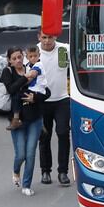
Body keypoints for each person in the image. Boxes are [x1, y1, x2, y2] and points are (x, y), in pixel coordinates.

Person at [0, 47, 47, 196]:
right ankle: (15, 171)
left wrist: (35, 97)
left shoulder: (33, 67)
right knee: (21, 154)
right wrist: (26, 78)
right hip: (17, 120)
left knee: (31, 152)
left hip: (35, 118)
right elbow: (11, 89)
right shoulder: (8, 72)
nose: (18, 60)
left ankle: (27, 185)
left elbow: (47, 91)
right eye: (14, 58)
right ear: (9, 61)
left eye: (20, 57)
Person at [38, 32, 71, 186]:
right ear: (39, 37)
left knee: (63, 133)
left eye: (50, 37)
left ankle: (63, 172)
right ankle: (45, 171)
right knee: (44, 136)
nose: (47, 41)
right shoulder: (34, 52)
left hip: (62, 99)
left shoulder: (64, 50)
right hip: (42, 101)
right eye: (44, 37)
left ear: (55, 37)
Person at [8, 45, 48, 131]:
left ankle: (16, 119)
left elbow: (31, 75)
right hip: (34, 89)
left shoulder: (38, 65)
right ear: (27, 57)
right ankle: (41, 125)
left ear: (39, 55)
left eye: (35, 56)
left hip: (38, 89)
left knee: (17, 96)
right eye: (31, 56)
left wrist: (22, 81)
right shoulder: (29, 65)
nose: (33, 58)